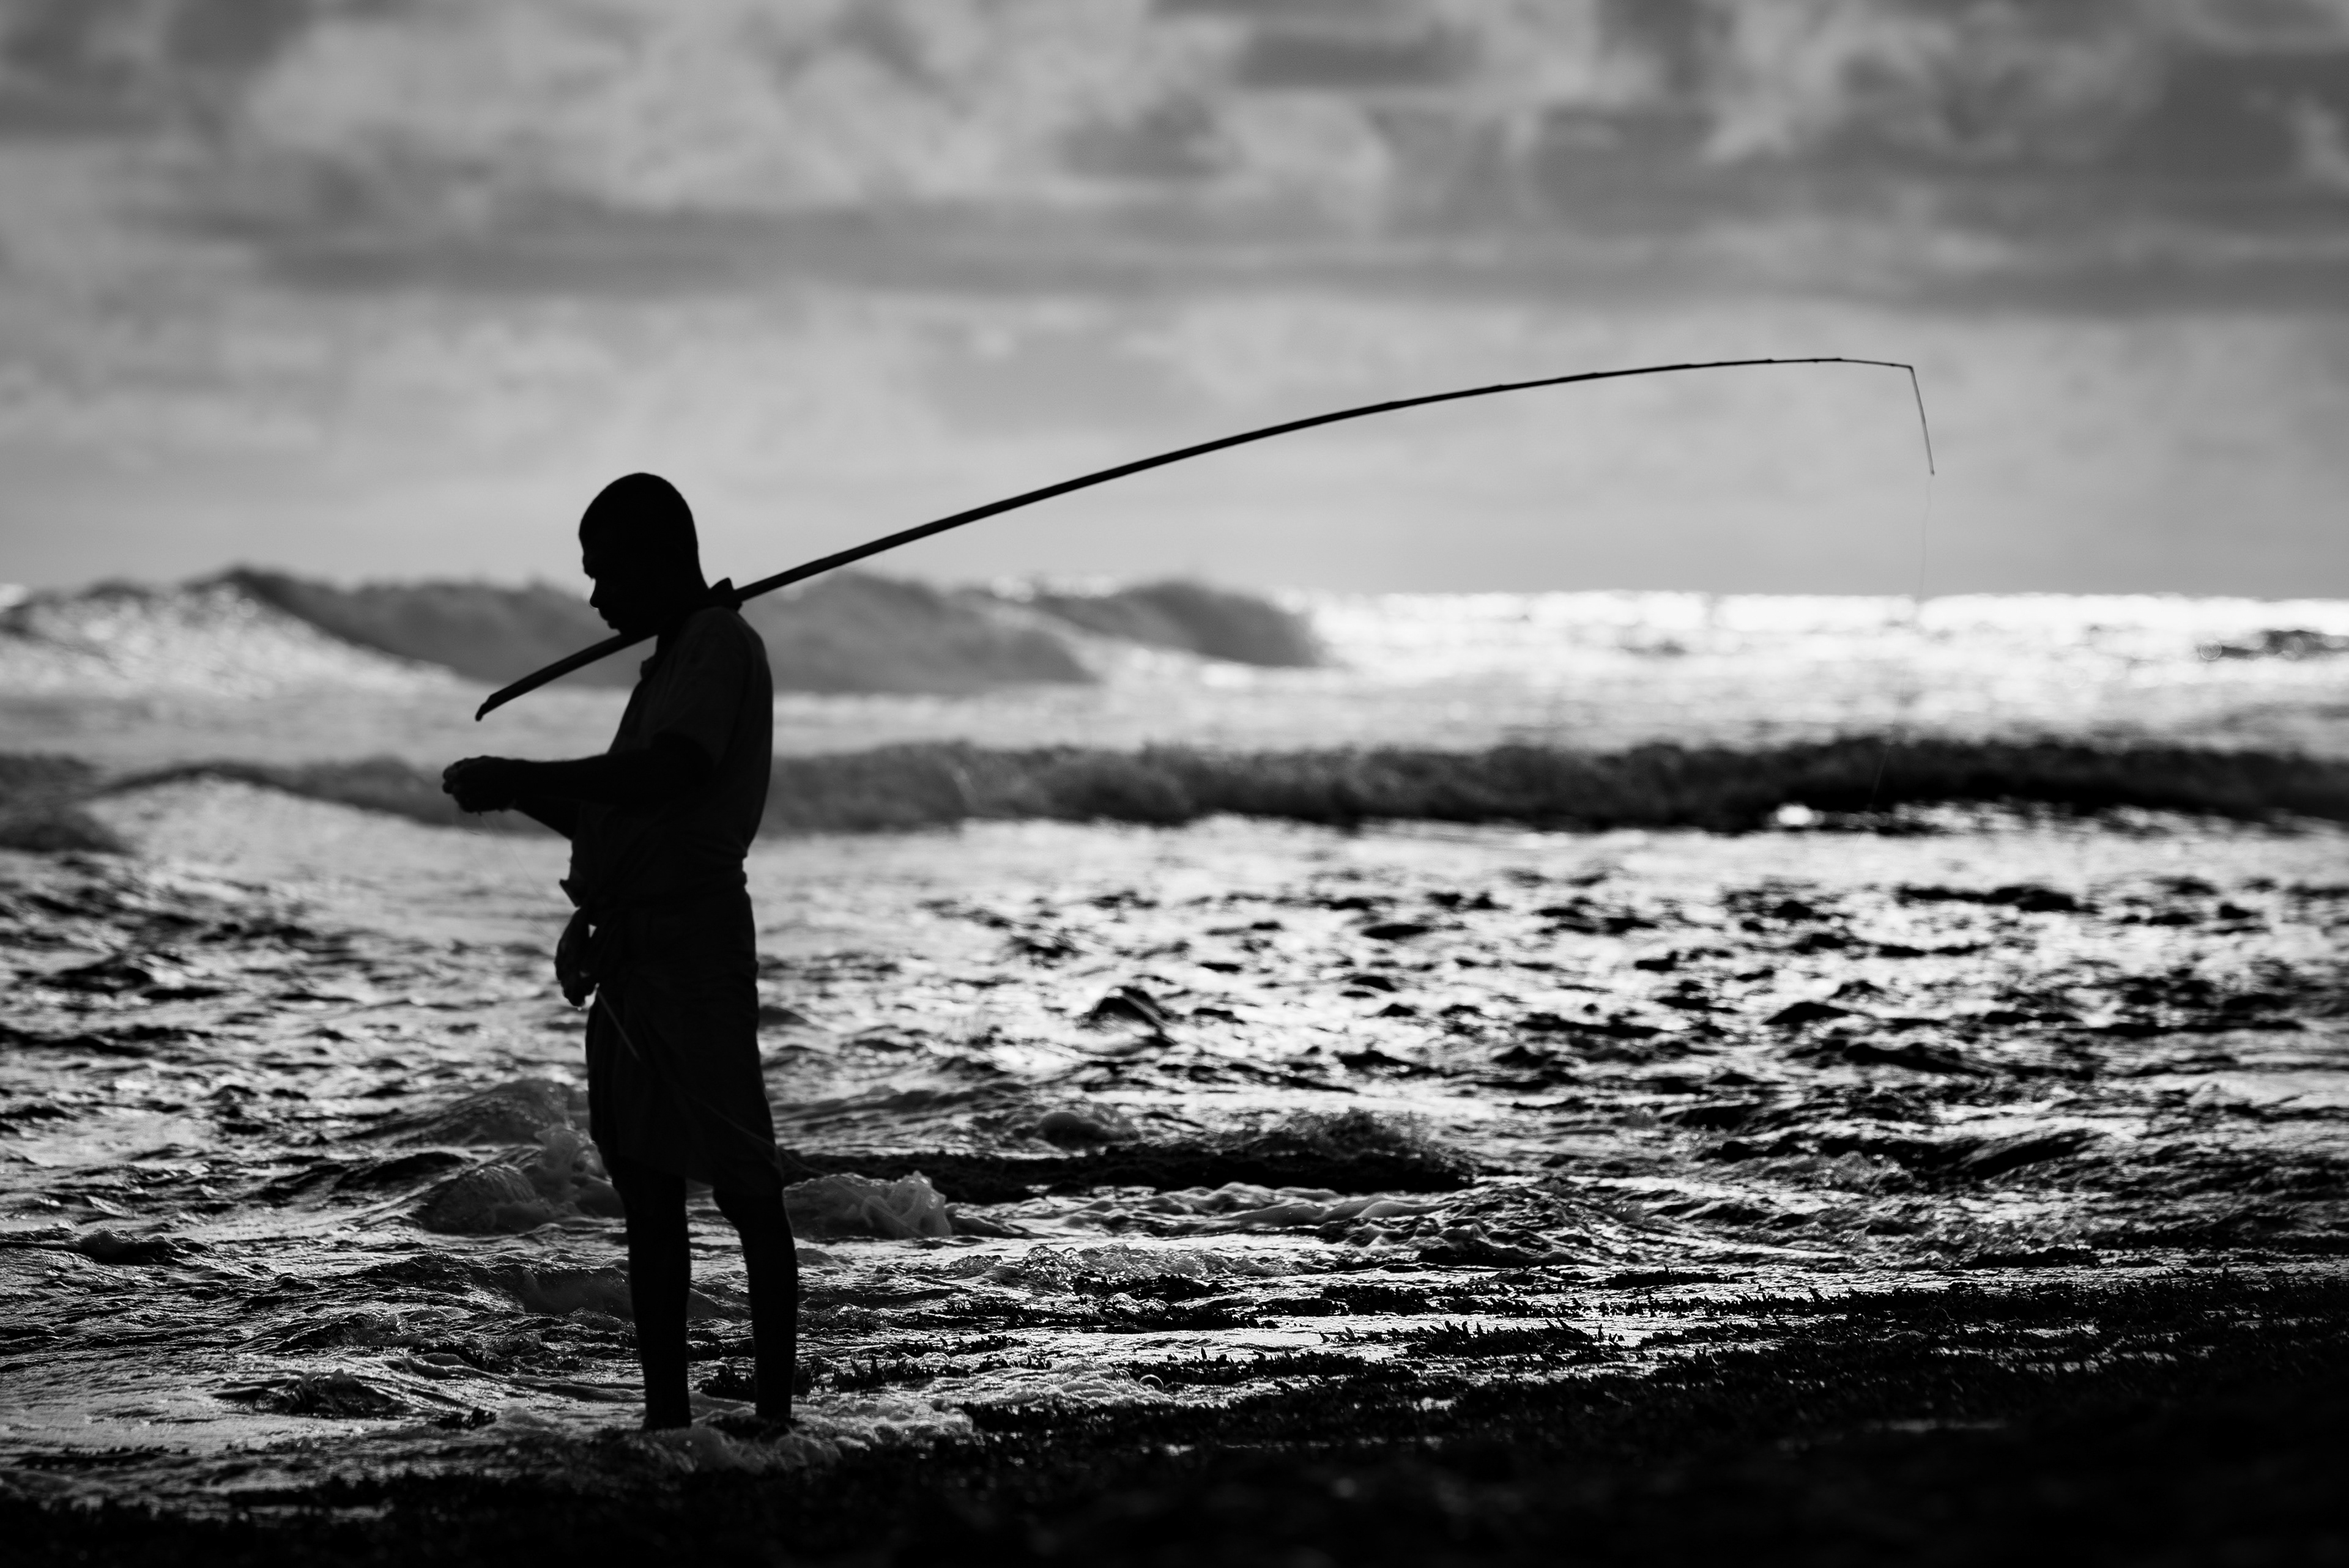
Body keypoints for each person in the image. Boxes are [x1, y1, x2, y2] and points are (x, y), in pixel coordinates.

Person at [441, 472, 795, 1432]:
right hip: (639, 946)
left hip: (693, 941)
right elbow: (623, 812)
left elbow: (674, 773)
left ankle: (773, 1417)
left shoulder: (718, 646)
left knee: (743, 1180)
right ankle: (666, 1418)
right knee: (645, 1183)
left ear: (657, 558)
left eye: (605, 573)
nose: (597, 599)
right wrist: (516, 792)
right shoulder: (673, 657)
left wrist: (524, 771)